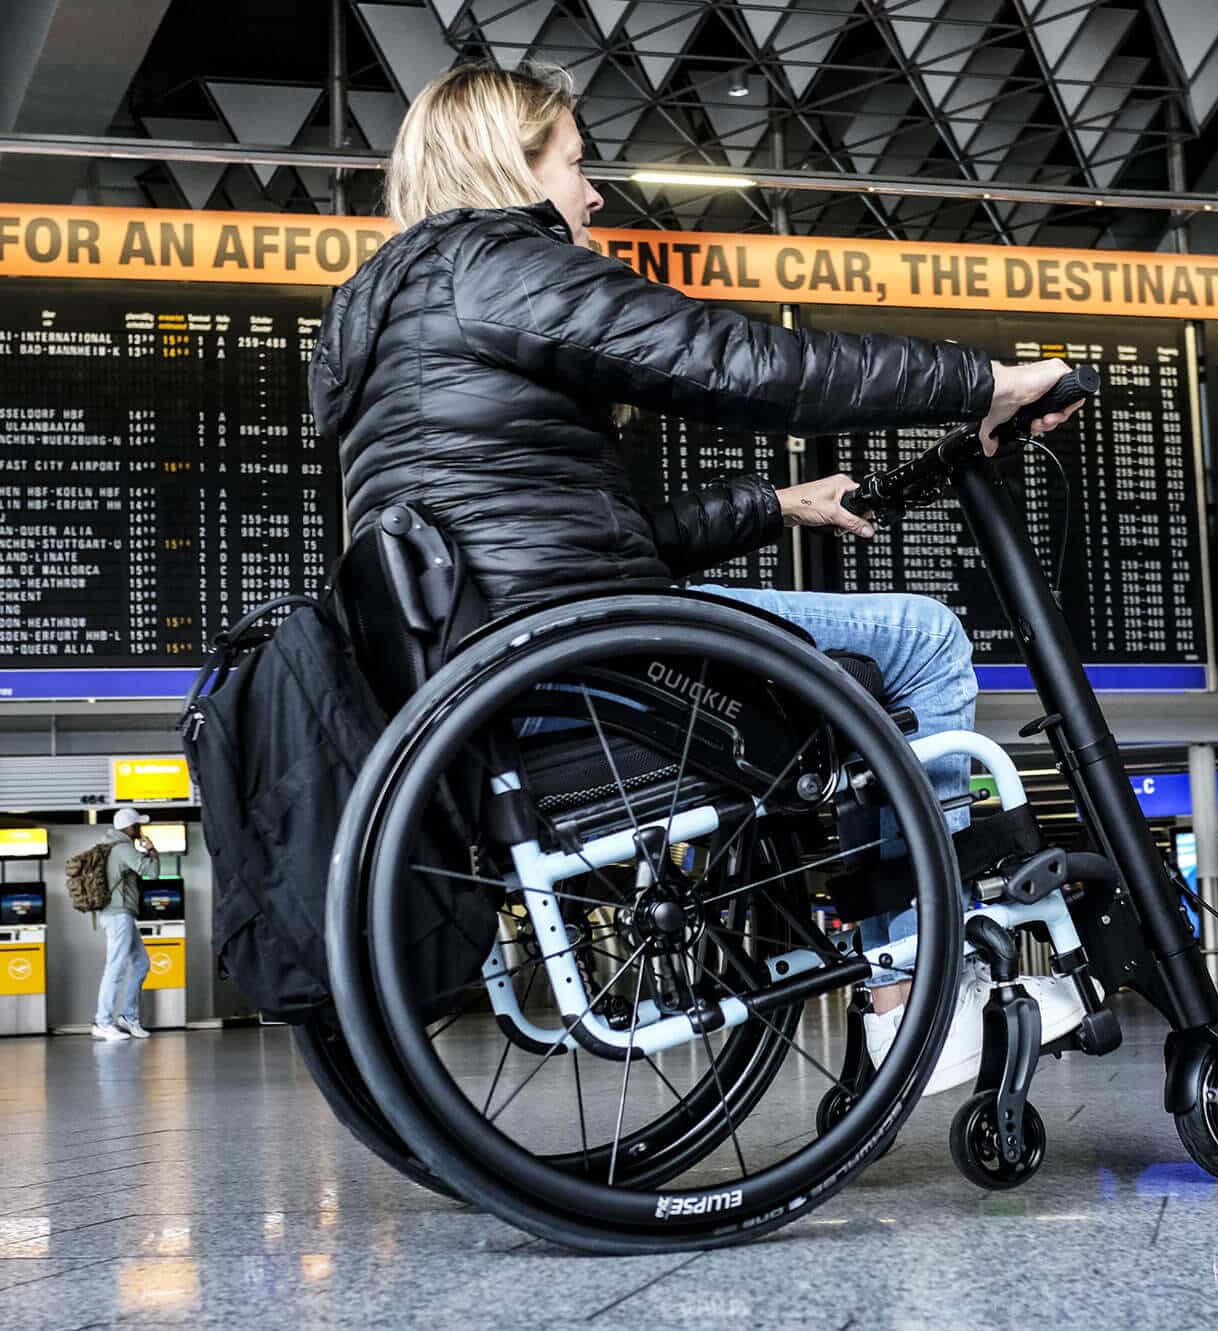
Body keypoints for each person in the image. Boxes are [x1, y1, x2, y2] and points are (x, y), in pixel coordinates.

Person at [312, 61, 1089, 1095]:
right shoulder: (503, 267)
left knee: (856, 682)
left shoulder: (381, 322)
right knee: (923, 641)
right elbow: (751, 367)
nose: (593, 195)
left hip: (502, 680)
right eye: (575, 163)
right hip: (591, 671)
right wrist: (987, 380)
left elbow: (568, 544)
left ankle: (893, 957)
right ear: (511, 163)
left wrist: (777, 504)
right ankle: (917, 986)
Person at [91, 808, 158, 1042]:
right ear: (130, 828)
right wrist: (151, 850)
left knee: (141, 963)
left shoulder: (112, 846)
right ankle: (102, 1022)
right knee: (115, 967)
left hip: (121, 914)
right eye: (138, 825)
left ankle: (128, 1017)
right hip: (118, 915)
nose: (140, 828)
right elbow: (151, 872)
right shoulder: (122, 848)